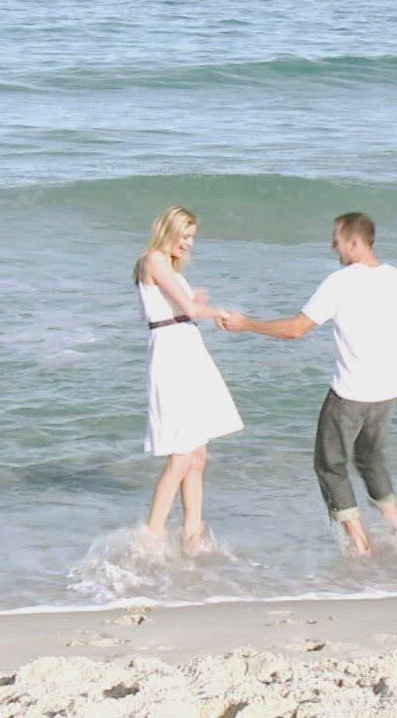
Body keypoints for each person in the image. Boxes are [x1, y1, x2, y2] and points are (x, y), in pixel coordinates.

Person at [219, 212, 397, 555]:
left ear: (354, 242)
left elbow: (296, 329)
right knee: (370, 459)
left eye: (337, 240)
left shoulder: (339, 282)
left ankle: (359, 544)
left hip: (350, 393)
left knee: (330, 465)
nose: (333, 246)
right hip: (388, 393)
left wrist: (246, 324)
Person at [133, 205, 242, 553]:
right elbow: (189, 310)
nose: (189, 243)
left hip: (187, 346)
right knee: (181, 454)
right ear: (168, 231)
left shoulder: (168, 265)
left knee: (198, 453)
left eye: (192, 237)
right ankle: (152, 534)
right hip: (172, 353)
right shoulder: (153, 259)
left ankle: (192, 533)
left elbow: (183, 307)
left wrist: (195, 300)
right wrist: (216, 311)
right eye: (184, 236)